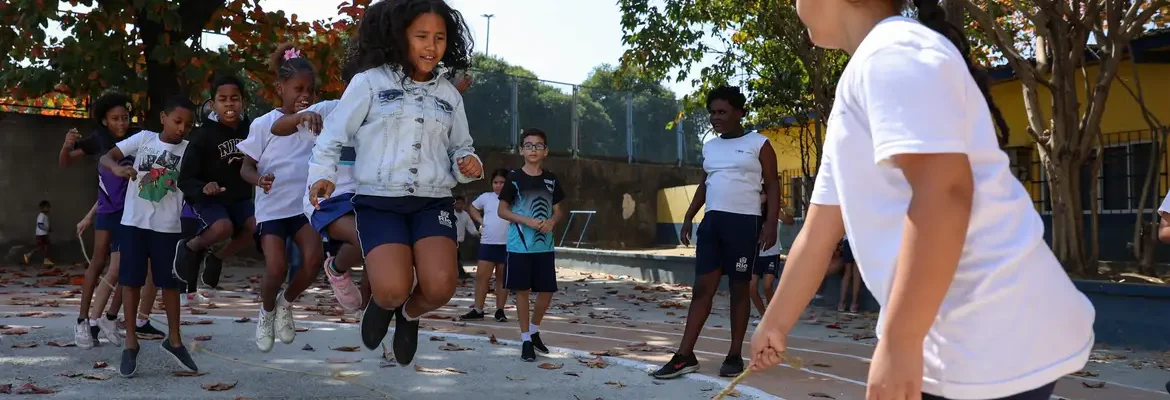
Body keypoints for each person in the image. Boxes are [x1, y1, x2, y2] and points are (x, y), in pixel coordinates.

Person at [749, 2, 1095, 400]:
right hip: (964, 333)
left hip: (986, 333)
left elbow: (944, 193)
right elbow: (819, 230)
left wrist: (900, 341)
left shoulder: (893, 52)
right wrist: (775, 321)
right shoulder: (868, 69)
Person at [307, 0, 482, 366]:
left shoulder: (449, 94)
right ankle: (385, 305)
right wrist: (323, 175)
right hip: (379, 201)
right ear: (401, 37)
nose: (431, 47)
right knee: (390, 289)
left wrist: (469, 164)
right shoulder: (369, 83)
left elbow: (461, 146)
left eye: (439, 37)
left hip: (432, 201)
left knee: (440, 287)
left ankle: (409, 315)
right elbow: (332, 137)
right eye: (421, 36)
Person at [653, 86, 781, 379]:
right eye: (712, 112)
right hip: (712, 225)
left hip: (744, 225)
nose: (715, 117)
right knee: (702, 288)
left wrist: (770, 223)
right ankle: (684, 355)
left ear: (739, 113)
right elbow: (705, 182)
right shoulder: (711, 146)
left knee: (739, 290)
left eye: (722, 112)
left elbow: (772, 184)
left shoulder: (759, 144)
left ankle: (734, 355)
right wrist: (688, 216)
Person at [99, 95, 200, 378]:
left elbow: (196, 182)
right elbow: (107, 156)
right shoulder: (143, 139)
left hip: (168, 227)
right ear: (164, 118)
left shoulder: (190, 151)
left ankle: (175, 340)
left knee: (169, 284)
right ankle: (130, 343)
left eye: (188, 124)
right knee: (130, 282)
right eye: (177, 121)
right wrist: (117, 168)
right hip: (133, 223)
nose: (182, 128)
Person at [236, 44, 326, 352]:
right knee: (276, 267)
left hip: (303, 209)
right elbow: (246, 168)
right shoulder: (263, 124)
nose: (306, 95)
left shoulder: (316, 122)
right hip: (273, 210)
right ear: (280, 88)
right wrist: (259, 179)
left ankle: (286, 303)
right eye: (298, 88)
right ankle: (267, 311)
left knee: (313, 260)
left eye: (311, 90)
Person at [60, 92, 136, 348]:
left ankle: (110, 318)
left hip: (132, 213)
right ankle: (82, 321)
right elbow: (66, 161)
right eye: (115, 118)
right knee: (98, 261)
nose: (121, 123)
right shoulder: (97, 140)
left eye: (125, 118)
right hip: (107, 211)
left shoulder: (137, 138)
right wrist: (66, 145)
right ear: (104, 120)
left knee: (128, 266)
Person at [174, 74, 256, 292]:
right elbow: (185, 178)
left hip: (238, 198)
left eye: (235, 98)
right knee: (223, 227)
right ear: (213, 104)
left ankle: (217, 258)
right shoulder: (202, 135)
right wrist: (203, 187)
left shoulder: (253, 130)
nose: (229, 103)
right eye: (223, 99)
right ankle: (191, 248)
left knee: (255, 226)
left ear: (243, 102)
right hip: (208, 198)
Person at [497, 129, 565, 362]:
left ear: (545, 151)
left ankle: (535, 330)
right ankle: (526, 338)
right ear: (521, 150)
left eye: (538, 145)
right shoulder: (514, 178)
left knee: (547, 291)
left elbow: (558, 211)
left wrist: (552, 222)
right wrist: (527, 221)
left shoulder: (551, 179)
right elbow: (502, 210)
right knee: (522, 292)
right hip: (519, 247)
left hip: (544, 246)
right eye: (528, 145)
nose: (533, 149)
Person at [461, 168, 512, 322]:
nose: (498, 185)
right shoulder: (486, 197)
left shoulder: (514, 198)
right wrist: (481, 222)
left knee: (502, 278)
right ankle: (478, 309)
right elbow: (472, 208)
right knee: (482, 277)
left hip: (507, 244)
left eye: (502, 182)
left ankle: (500, 310)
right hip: (488, 243)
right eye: (496, 182)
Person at [750, 194, 794, 325]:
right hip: (755, 253)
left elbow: (789, 220)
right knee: (751, 288)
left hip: (771, 253)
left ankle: (774, 314)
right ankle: (765, 317)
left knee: (767, 285)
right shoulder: (752, 209)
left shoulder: (773, 211)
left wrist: (784, 206)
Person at [453, 195, 478, 280]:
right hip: (451, 239)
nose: (459, 205)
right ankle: (460, 273)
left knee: (457, 256)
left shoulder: (465, 214)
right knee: (455, 256)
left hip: (459, 240)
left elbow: (470, 225)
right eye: (457, 203)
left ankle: (460, 273)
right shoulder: (451, 213)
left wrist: (476, 233)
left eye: (461, 203)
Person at [23, 201, 53, 266]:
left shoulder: (44, 216)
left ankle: (29, 255)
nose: (48, 209)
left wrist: (48, 228)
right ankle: (45, 260)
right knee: (45, 246)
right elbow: (40, 225)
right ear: (42, 208)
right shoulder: (41, 216)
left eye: (48, 207)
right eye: (47, 207)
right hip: (42, 234)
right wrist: (47, 229)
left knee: (43, 247)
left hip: (42, 234)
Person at [836, 235, 862, 313]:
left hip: (848, 239)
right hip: (860, 240)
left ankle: (841, 303)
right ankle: (854, 304)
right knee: (857, 273)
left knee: (847, 272)